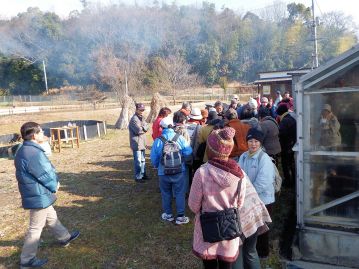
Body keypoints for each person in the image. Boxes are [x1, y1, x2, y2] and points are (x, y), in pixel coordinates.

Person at [189, 127, 272, 269]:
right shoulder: (238, 173)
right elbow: (239, 203)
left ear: (210, 149)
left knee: (209, 264)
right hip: (229, 228)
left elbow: (193, 205)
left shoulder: (202, 172)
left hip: (207, 228)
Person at [15, 122, 80, 268]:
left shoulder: (25, 149)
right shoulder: (32, 153)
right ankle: (27, 260)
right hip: (38, 193)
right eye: (41, 132)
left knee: (51, 216)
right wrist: (54, 185)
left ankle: (64, 237)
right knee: (35, 228)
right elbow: (44, 173)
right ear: (33, 135)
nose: (43, 134)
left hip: (37, 192)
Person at [238, 128, 275, 260]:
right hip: (249, 198)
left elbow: (263, 181)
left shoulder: (264, 159)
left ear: (260, 143)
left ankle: (263, 253)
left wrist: (248, 194)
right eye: (250, 141)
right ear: (247, 142)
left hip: (264, 199)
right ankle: (252, 251)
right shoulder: (243, 156)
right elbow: (239, 175)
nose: (253, 144)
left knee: (262, 226)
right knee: (251, 225)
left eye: (256, 141)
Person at [150, 117, 193, 225]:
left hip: (163, 172)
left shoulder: (158, 141)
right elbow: (188, 151)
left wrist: (157, 166)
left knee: (166, 193)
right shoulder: (180, 138)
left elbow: (154, 158)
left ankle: (168, 215)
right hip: (179, 170)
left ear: (161, 127)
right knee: (179, 193)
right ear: (173, 126)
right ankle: (180, 217)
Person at [276, 104, 296, 188]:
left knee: (285, 164)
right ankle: (294, 180)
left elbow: (281, 134)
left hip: (286, 146)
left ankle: (288, 181)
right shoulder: (291, 118)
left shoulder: (284, 121)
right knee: (291, 164)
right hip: (292, 144)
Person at [129, 103, 149, 183]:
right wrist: (144, 128)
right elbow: (139, 130)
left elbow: (147, 126)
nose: (142, 111)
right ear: (136, 109)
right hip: (136, 142)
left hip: (142, 142)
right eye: (140, 110)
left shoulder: (142, 117)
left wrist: (143, 128)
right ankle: (138, 177)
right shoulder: (134, 119)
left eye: (143, 110)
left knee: (143, 160)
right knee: (138, 160)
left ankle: (143, 174)